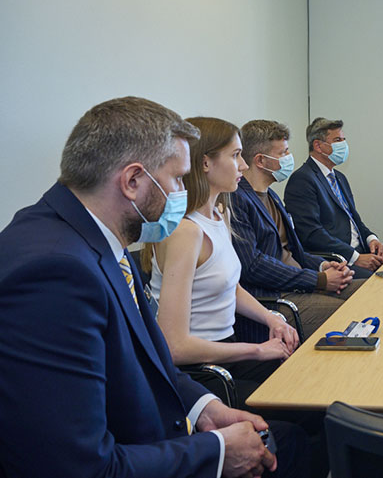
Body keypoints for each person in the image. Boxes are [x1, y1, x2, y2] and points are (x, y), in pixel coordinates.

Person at [0, 97, 305, 477]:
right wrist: (216, 452)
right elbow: (81, 467)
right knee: (293, 442)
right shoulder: (55, 272)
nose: (183, 190)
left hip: (151, 427)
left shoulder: (95, 235)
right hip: (132, 453)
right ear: (132, 181)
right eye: (177, 178)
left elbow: (147, 359)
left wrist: (205, 407)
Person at [146, 117, 300, 410]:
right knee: (302, 408)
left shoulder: (219, 214)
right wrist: (257, 351)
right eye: (235, 155)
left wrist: (271, 318)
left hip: (228, 352)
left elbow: (230, 285)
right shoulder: (186, 232)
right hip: (202, 372)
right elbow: (175, 347)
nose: (243, 165)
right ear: (205, 163)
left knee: (309, 381)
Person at [231, 119, 362, 336]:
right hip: (275, 297)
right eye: (283, 153)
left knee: (367, 291)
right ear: (261, 160)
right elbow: (253, 265)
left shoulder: (271, 195)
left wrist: (324, 267)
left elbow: (294, 252)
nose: (289, 158)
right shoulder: (238, 199)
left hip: (299, 283)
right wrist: (318, 280)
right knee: (349, 315)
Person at [284, 117, 383, 278]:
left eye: (344, 139)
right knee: (378, 284)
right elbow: (311, 233)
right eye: (337, 140)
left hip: (361, 252)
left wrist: (371, 239)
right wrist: (356, 257)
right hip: (337, 260)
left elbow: (354, 220)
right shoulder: (302, 179)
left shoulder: (339, 177)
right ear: (318, 145)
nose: (343, 145)